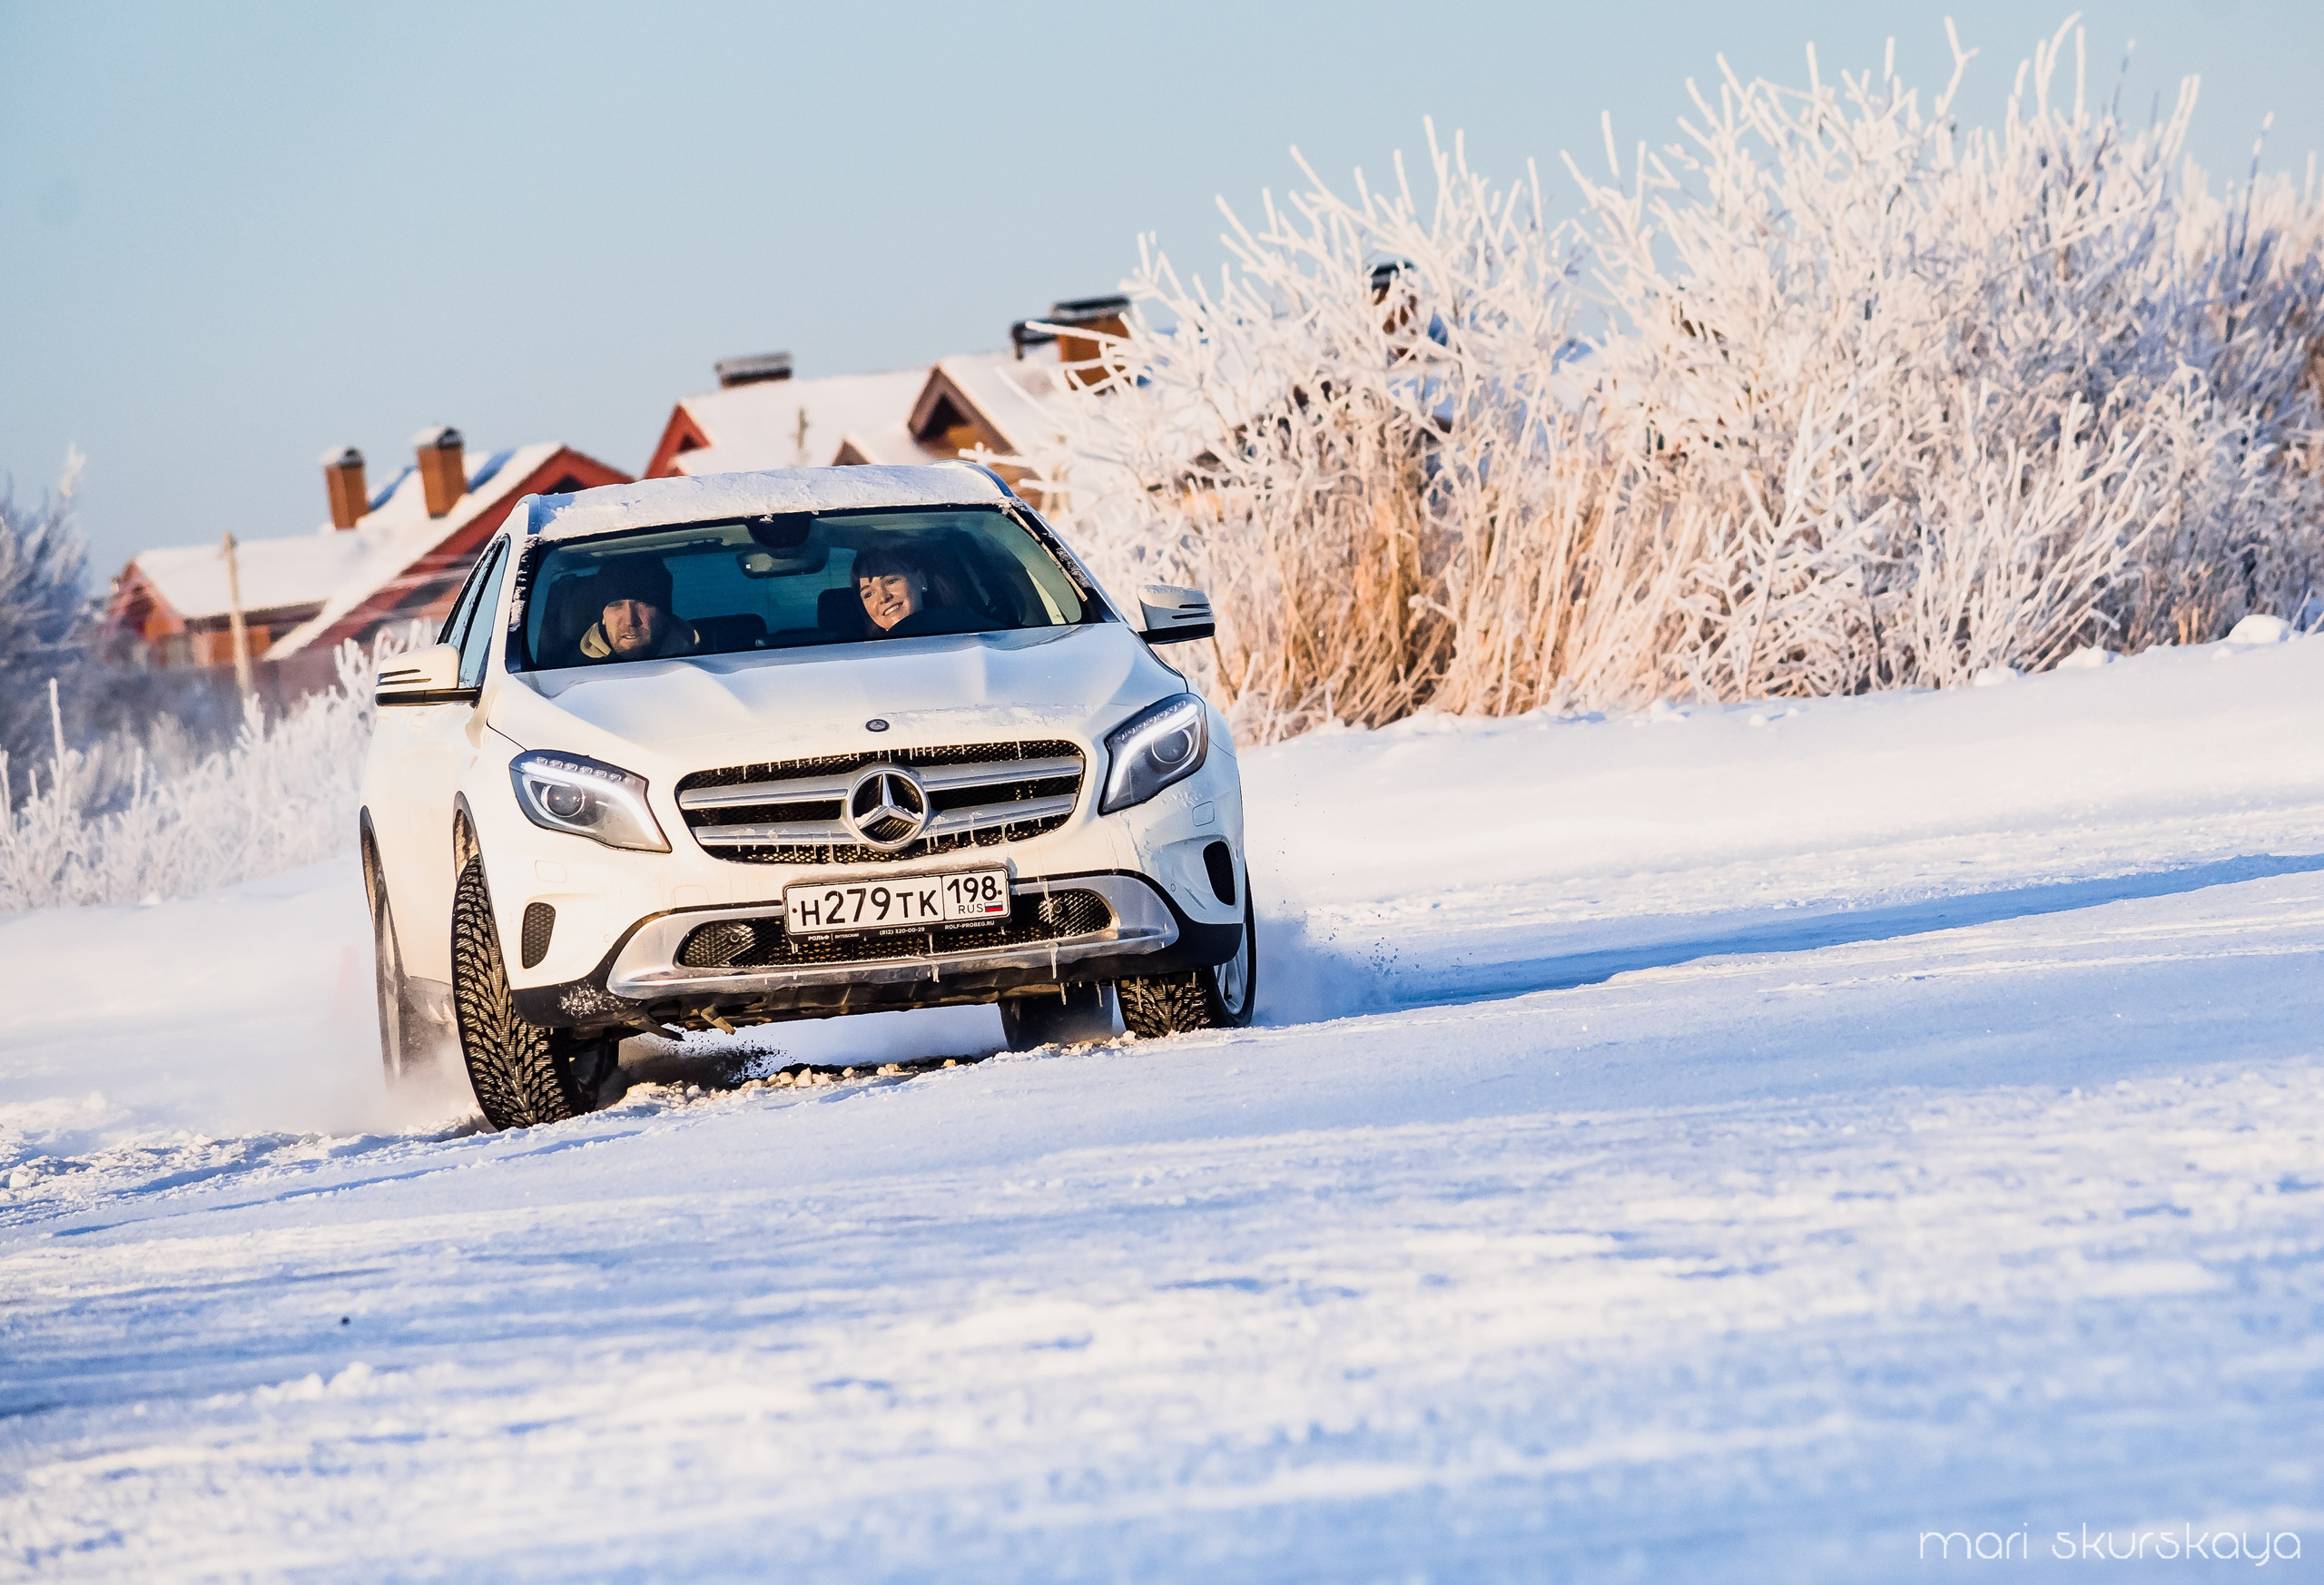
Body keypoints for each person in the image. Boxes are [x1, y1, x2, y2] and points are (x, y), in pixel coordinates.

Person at [577, 558, 700, 662]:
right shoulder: (568, 672)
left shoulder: (703, 663)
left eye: (643, 603)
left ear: (663, 613)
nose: (630, 621)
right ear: (603, 616)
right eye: (616, 605)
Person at [853, 544, 984, 638]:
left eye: (891, 581)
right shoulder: (863, 658)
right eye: (868, 594)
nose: (883, 597)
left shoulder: (971, 633)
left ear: (921, 579)